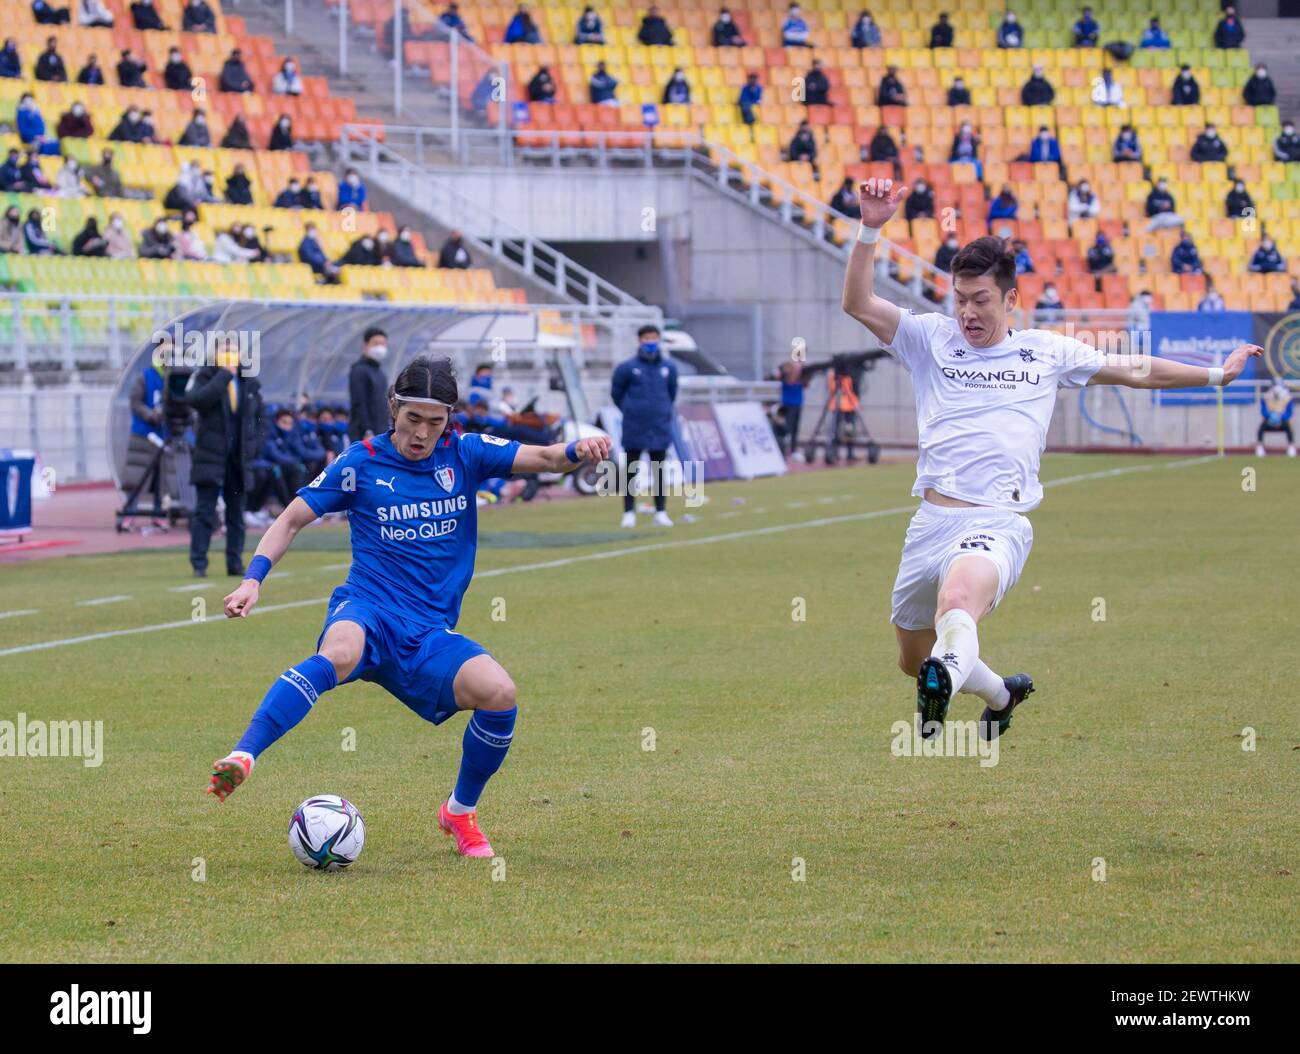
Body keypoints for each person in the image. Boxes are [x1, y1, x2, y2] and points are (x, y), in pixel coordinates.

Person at [842, 177, 1261, 742]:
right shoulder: (928, 338)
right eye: (960, 299)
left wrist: (1217, 374)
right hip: (930, 522)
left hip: (996, 522)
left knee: (957, 602)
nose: (967, 312)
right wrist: (870, 227)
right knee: (913, 659)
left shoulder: (1046, 352)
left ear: (1012, 299)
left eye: (981, 300)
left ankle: (950, 678)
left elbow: (1136, 369)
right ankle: (1000, 693)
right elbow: (857, 302)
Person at [207, 358, 613, 864]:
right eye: (412, 418)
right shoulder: (361, 462)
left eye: (434, 421)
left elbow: (551, 459)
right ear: (393, 408)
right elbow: (290, 520)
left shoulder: (465, 453)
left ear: (449, 418)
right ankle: (244, 754)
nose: (421, 432)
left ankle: (459, 812)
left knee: (500, 694)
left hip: (428, 633)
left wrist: (581, 448)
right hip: (369, 609)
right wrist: (253, 580)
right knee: (339, 651)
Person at [186, 339, 263, 577]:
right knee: (205, 512)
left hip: (238, 459)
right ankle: (199, 563)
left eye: (233, 350)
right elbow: (198, 401)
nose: (230, 354)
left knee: (236, 514)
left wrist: (254, 446)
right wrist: (223, 376)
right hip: (211, 456)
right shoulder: (205, 376)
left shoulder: (249, 381)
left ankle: (235, 561)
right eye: (225, 350)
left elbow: (260, 417)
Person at [612, 325, 677, 529]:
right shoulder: (627, 368)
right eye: (647, 338)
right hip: (634, 426)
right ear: (639, 340)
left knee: (659, 471)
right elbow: (616, 393)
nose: (650, 341)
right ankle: (629, 512)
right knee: (632, 470)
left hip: (659, 426)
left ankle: (661, 511)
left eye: (654, 338)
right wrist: (632, 410)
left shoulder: (668, 367)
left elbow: (672, 393)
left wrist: (661, 410)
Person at [348, 328, 392, 442]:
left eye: (382, 344)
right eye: (376, 343)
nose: (380, 347)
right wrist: (367, 430)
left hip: (380, 430)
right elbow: (359, 403)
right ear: (365, 345)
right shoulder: (359, 370)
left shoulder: (380, 372)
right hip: (365, 434)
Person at [1255, 380, 1295, 458]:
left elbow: (1289, 413)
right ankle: (1260, 447)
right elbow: (1263, 411)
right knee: (1262, 426)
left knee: (1288, 426)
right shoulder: (1266, 397)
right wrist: (1271, 417)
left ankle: (1291, 447)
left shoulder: (1288, 398)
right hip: (1270, 421)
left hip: (1282, 422)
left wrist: (1280, 418)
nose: (1277, 388)